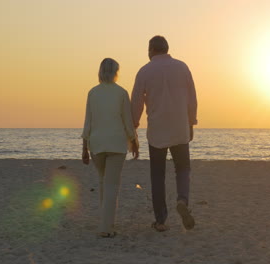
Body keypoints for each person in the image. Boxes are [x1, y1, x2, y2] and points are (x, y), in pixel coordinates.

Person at [131, 36, 198, 232]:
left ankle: (160, 220)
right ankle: (182, 200)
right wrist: (191, 123)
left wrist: (133, 125)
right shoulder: (182, 67)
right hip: (179, 127)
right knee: (183, 169)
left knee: (158, 175)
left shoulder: (144, 71)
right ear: (167, 49)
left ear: (151, 50)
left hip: (157, 130)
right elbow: (192, 99)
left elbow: (136, 102)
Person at [81, 58, 139, 238]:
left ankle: (105, 222)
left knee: (102, 182)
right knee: (111, 185)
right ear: (115, 72)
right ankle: (106, 227)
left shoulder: (93, 93)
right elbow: (127, 122)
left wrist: (84, 148)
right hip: (116, 143)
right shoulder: (121, 93)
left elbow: (87, 123)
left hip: (97, 144)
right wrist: (134, 141)